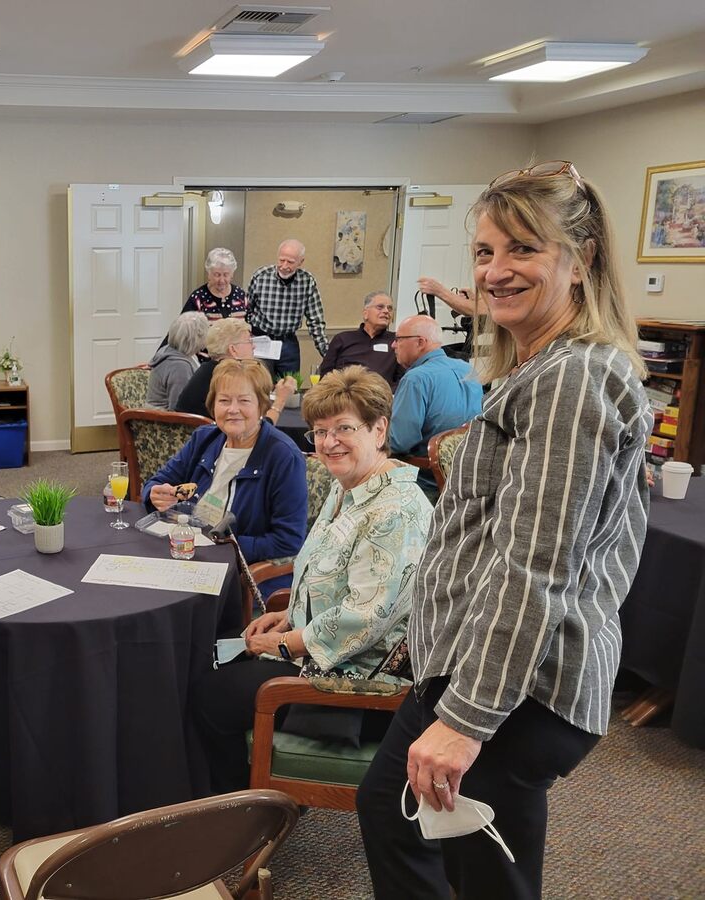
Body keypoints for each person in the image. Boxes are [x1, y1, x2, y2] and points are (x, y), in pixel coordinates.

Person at [357, 161, 652, 899]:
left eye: (523, 249)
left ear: (580, 258)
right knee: (397, 822)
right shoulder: (540, 367)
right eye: (485, 253)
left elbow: (535, 566)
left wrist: (466, 718)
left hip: (516, 689)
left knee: (485, 876)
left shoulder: (571, 379)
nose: (495, 271)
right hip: (482, 663)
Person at [193, 366, 432, 792]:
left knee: (206, 693)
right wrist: (288, 615)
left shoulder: (394, 510)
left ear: (379, 430)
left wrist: (285, 643)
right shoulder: (349, 488)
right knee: (206, 656)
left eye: (344, 428)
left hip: (355, 684)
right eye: (320, 432)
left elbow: (364, 617)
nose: (329, 442)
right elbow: (333, 579)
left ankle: (242, 814)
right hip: (320, 654)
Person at [144, 358, 307, 597]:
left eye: (244, 401)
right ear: (213, 405)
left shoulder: (283, 457)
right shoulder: (205, 438)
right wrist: (154, 493)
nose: (232, 409)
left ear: (262, 405)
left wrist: (223, 544)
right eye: (224, 400)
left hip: (241, 575)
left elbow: (288, 540)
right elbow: (156, 482)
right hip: (188, 552)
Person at [389, 314, 482, 496]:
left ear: (420, 342)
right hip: (467, 475)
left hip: (426, 481)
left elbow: (400, 442)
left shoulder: (416, 379)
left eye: (398, 339)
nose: (393, 345)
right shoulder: (468, 369)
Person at [174, 319, 297, 425]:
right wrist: (280, 400)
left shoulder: (206, 370)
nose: (253, 347)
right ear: (233, 349)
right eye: (249, 341)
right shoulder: (229, 379)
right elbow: (260, 431)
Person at [246, 239, 328, 378]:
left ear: (300, 262)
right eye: (281, 260)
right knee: (260, 385)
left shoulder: (307, 281)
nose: (284, 266)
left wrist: (327, 353)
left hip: (288, 342)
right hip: (261, 338)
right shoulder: (261, 276)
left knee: (290, 385)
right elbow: (247, 310)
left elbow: (316, 320)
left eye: (290, 262)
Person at [317, 291, 403, 386]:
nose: (386, 311)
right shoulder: (343, 339)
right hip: (345, 396)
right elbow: (326, 375)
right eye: (380, 307)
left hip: (381, 397)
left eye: (390, 308)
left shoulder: (397, 341)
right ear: (365, 313)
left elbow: (402, 378)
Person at [146, 311, 209, 409]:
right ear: (196, 339)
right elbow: (180, 407)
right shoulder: (179, 366)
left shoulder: (174, 351)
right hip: (164, 420)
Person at [182, 247, 249, 322]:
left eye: (226, 275)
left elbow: (250, 326)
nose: (221, 280)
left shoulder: (241, 295)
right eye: (217, 275)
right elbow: (183, 329)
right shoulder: (198, 297)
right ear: (209, 274)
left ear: (232, 274)